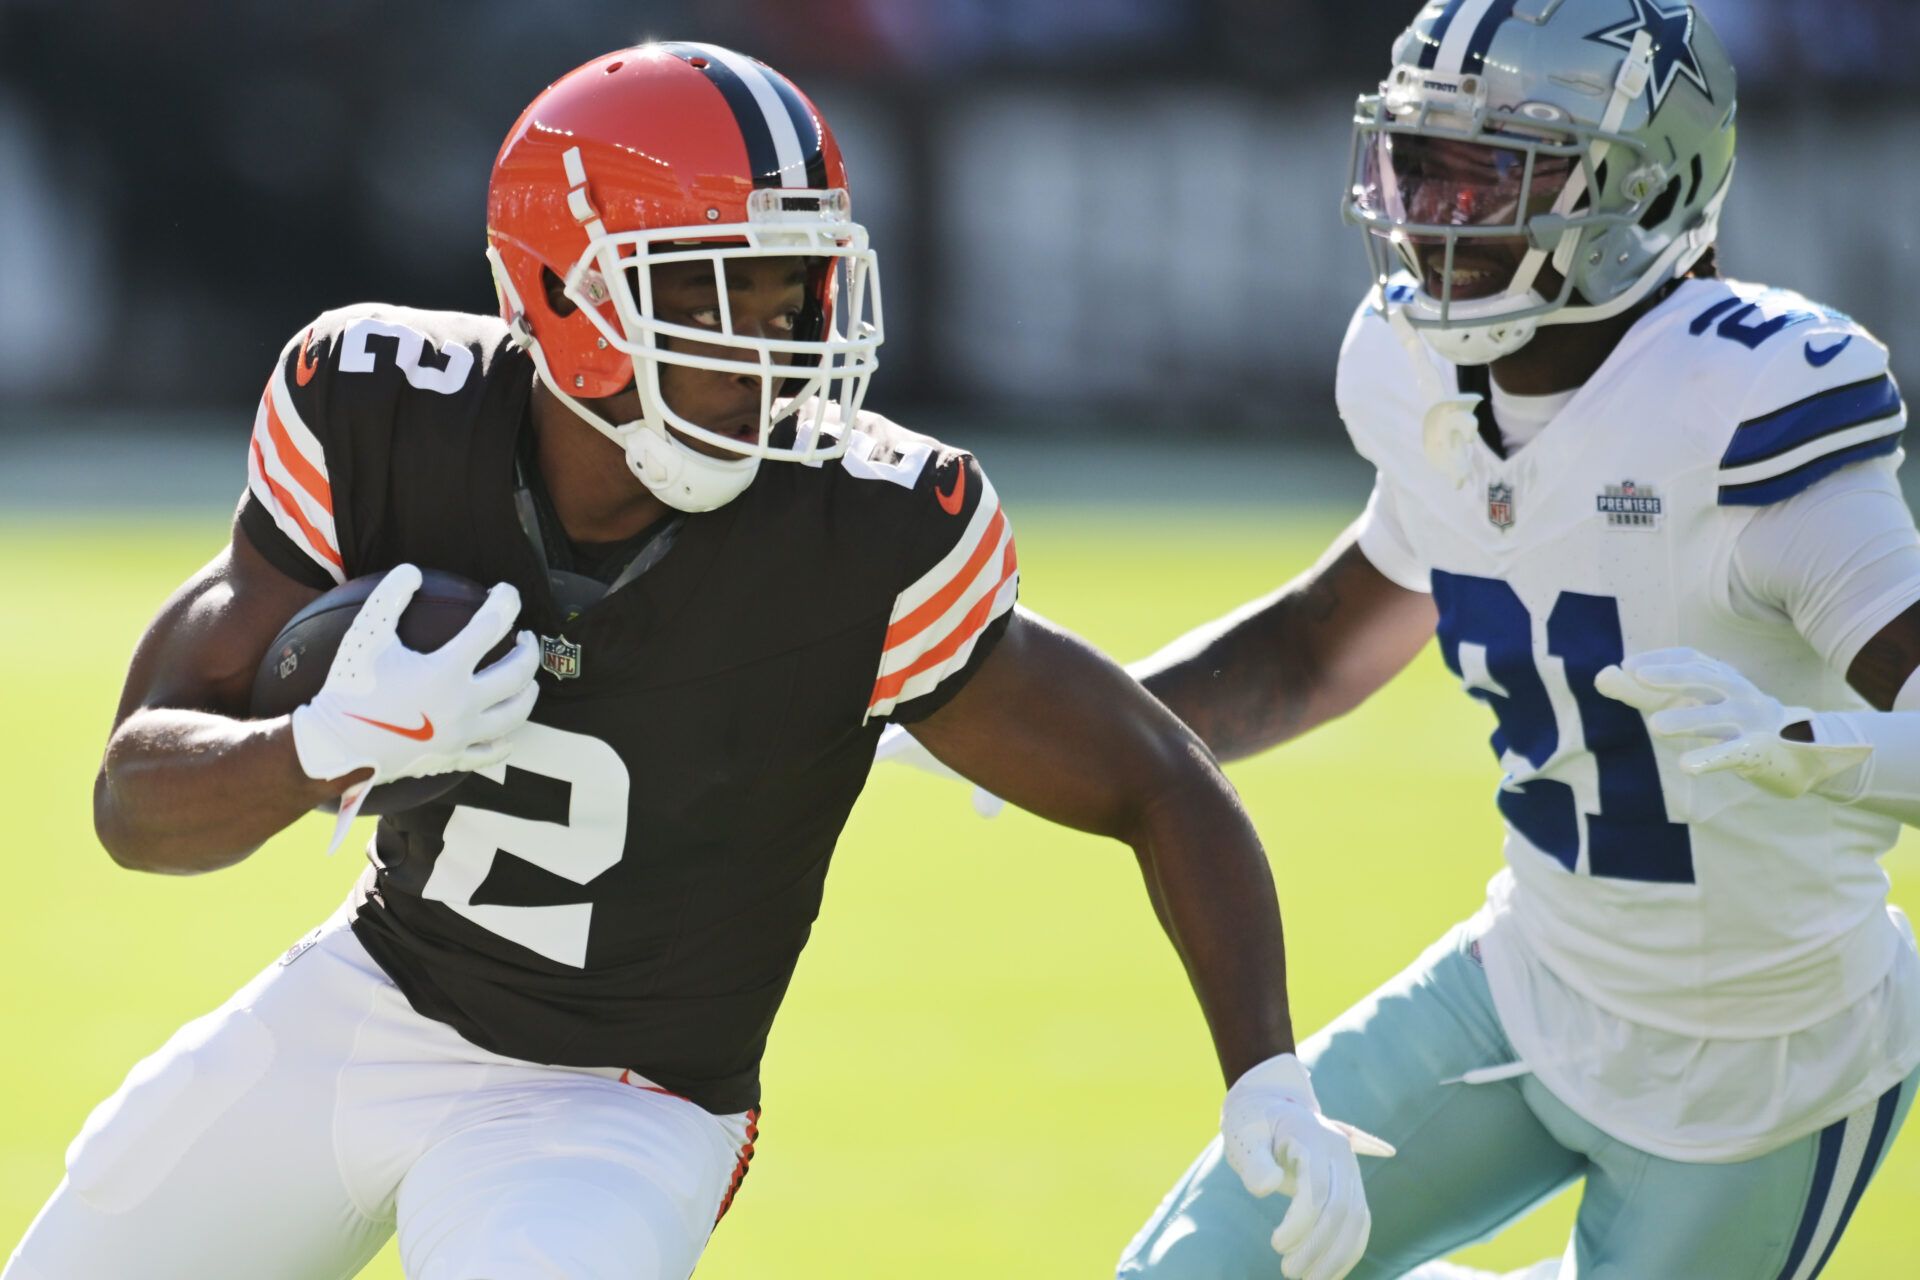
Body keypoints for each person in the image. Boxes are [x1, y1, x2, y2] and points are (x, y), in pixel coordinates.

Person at [4, 43, 1382, 1280]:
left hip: (623, 1101)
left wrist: (1265, 1070)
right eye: (723, 293)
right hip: (376, 997)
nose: (781, 347)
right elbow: (134, 804)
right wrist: (320, 745)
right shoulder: (380, 413)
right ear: (567, 300)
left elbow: (1156, 778)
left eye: (799, 291)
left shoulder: (867, 530)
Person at [1098, 1, 1920, 1276]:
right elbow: (1322, 647)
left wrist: (1823, 746)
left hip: (1771, 1069)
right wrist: (1057, 718)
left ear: (1643, 188)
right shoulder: (1415, 370)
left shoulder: (1750, 409)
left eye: (1493, 172)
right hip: (1528, 987)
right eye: (1421, 162)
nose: (1436, 211)